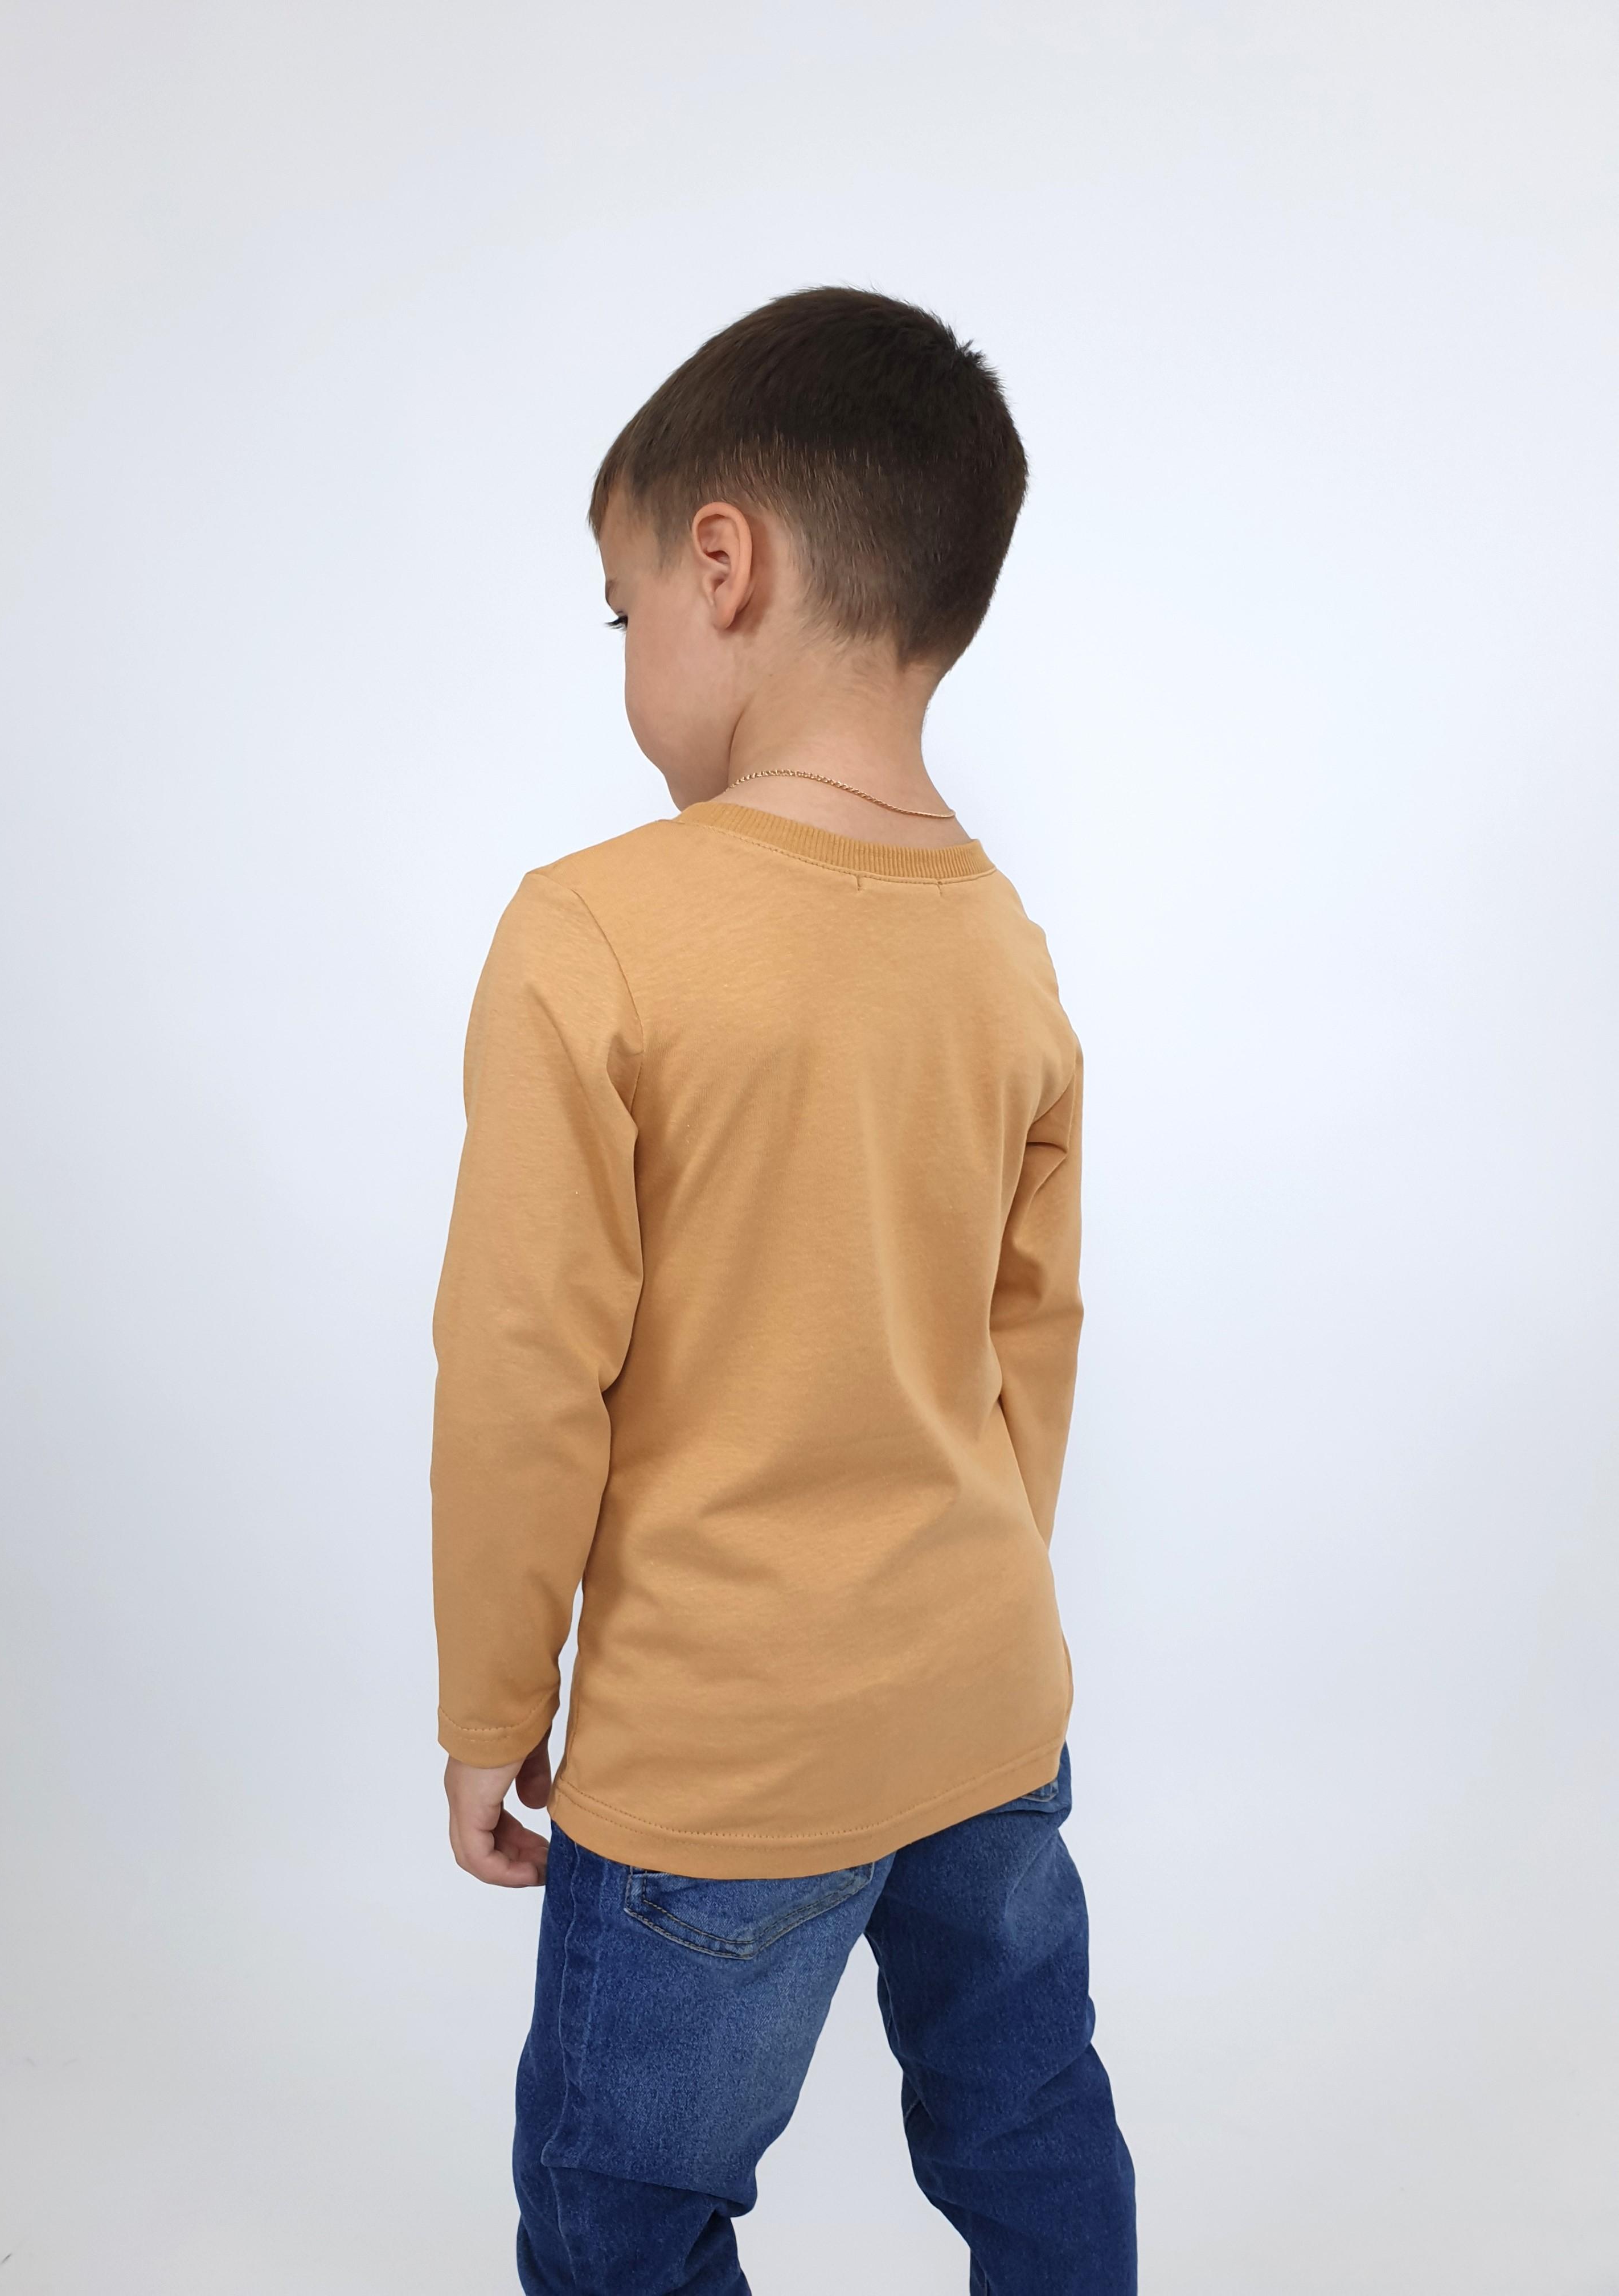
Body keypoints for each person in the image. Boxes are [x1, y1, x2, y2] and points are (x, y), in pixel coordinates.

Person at [432, 286, 1136, 2294]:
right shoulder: (1002, 944)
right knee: (1030, 2121)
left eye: (623, 606)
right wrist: (960, 1603)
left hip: (722, 1760)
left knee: (626, 2215)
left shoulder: (595, 933)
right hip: (987, 1709)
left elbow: (522, 1366)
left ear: (721, 564)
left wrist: (493, 1704)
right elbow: (1033, 1337)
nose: (625, 656)